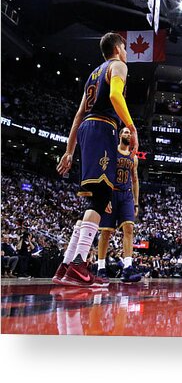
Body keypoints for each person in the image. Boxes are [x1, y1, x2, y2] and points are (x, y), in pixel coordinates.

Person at [54, 32, 138, 287]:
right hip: (102, 128)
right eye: (124, 47)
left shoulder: (93, 74)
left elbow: (79, 113)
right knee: (101, 197)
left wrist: (70, 150)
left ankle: (67, 265)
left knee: (94, 199)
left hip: (87, 130)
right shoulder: (118, 65)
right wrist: (132, 127)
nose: (126, 52)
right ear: (117, 48)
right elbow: (115, 96)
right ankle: (79, 264)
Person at [97, 127, 142, 283]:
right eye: (125, 132)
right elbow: (103, 174)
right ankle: (100, 268)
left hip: (126, 194)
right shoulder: (111, 152)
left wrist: (136, 202)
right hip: (111, 193)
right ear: (120, 135)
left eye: (130, 133)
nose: (128, 134)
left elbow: (135, 180)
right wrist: (104, 197)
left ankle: (128, 268)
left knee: (129, 228)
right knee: (106, 232)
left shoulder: (133, 157)